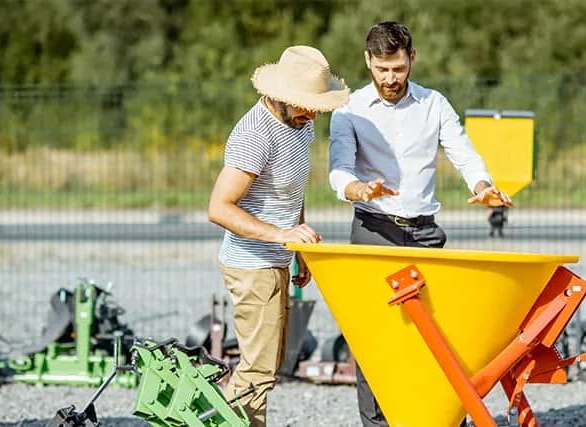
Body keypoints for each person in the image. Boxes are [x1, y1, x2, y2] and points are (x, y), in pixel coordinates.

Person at [327, 21, 513, 426]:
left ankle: (441, 420)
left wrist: (483, 186)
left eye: (398, 68)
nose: (390, 79)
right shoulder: (349, 109)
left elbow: (463, 152)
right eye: (382, 69)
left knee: (438, 337)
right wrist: (359, 189)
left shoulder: (434, 104)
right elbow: (339, 169)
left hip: (425, 234)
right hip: (373, 232)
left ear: (412, 59)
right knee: (373, 339)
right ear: (368, 61)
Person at [207, 45, 349, 426]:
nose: (313, 113)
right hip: (251, 265)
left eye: (317, 106)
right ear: (280, 96)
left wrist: (297, 246)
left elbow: (291, 190)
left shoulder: (300, 123)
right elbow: (219, 208)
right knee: (257, 372)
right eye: (306, 105)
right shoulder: (255, 135)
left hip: (276, 258)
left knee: (266, 366)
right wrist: (282, 234)